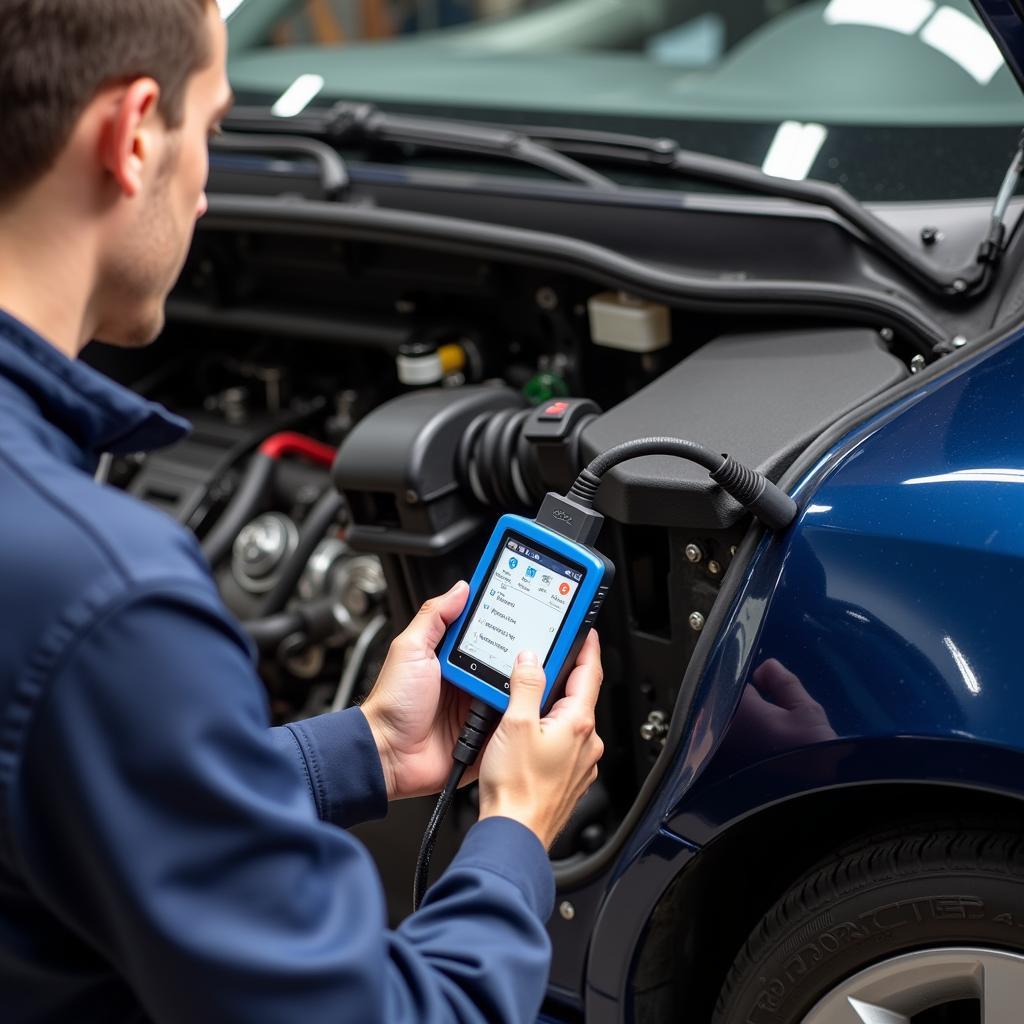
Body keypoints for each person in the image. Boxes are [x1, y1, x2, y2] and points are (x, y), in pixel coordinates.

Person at [0, 2, 605, 1021]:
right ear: (134, 132)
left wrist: (363, 746)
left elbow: (57, 793)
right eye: (217, 127)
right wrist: (513, 828)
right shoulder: (104, 594)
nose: (204, 186)